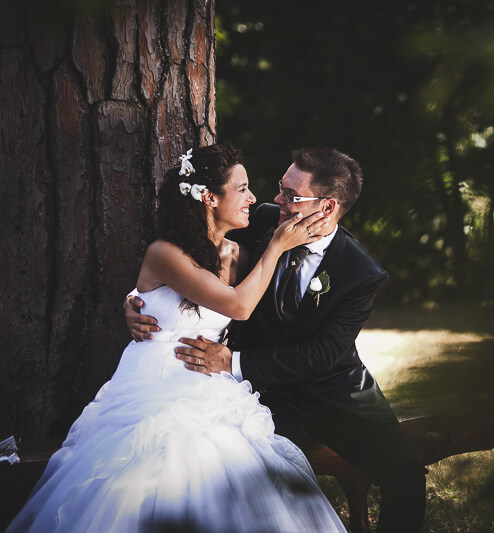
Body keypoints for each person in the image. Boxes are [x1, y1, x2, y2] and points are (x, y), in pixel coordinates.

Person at [8, 145, 346, 533]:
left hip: (209, 384)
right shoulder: (165, 252)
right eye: (242, 189)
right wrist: (134, 301)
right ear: (209, 198)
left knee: (232, 465)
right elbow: (237, 305)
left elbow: (243, 300)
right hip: (154, 384)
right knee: (155, 468)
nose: (254, 198)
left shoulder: (238, 253)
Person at [126, 147, 427, 533]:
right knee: (262, 478)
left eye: (291, 195)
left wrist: (231, 361)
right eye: (281, 188)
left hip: (333, 390)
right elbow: (185, 253)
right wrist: (136, 301)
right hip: (267, 392)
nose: (276, 200)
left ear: (327, 207)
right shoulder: (262, 219)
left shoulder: (360, 272)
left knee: (407, 474)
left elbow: (323, 354)